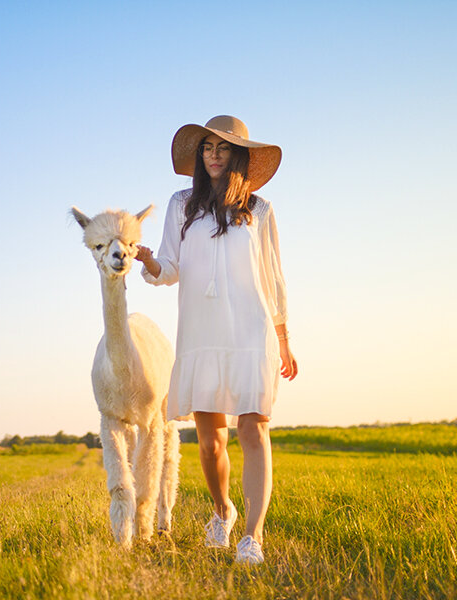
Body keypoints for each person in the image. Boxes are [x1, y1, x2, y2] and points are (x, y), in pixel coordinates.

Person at [135, 115, 297, 565]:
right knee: (210, 443)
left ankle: (253, 537)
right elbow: (170, 268)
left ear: (239, 156)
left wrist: (283, 335)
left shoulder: (260, 210)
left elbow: (274, 275)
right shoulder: (180, 203)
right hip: (202, 330)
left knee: (253, 427)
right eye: (207, 147)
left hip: (252, 328)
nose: (213, 155)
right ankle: (221, 511)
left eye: (223, 148)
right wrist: (149, 261)